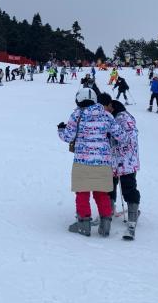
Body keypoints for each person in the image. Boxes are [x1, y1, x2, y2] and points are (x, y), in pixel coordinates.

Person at [58, 88, 128, 237]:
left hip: (82, 160)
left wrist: (60, 129)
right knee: (101, 192)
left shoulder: (77, 114)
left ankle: (84, 224)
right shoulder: (106, 114)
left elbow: (68, 137)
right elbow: (122, 136)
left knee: (82, 192)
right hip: (103, 161)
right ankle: (105, 224)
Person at [98, 95, 140, 237]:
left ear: (111, 106)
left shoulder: (123, 118)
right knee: (110, 186)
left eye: (104, 107)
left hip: (126, 161)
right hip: (114, 160)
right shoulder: (114, 117)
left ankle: (133, 216)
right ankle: (109, 210)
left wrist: (112, 139)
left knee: (128, 187)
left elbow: (129, 138)